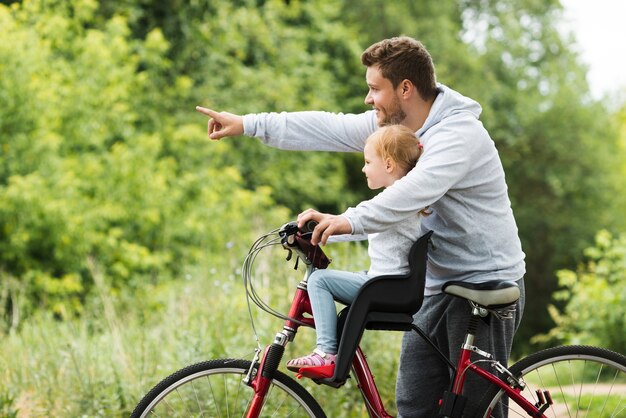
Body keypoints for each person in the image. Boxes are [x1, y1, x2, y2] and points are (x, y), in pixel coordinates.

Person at [196, 36, 526, 417]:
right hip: (434, 286)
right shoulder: (395, 132)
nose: (368, 99)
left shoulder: (458, 135)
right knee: (413, 407)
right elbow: (326, 128)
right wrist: (248, 124)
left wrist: (347, 220)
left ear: (405, 88)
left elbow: (412, 193)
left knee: (473, 412)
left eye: (374, 89)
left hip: (483, 284)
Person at [285, 125, 426, 377]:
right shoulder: (399, 201)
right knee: (328, 280)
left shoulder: (395, 199)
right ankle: (330, 353)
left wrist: (323, 227)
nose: (363, 168)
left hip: (388, 285)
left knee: (319, 280)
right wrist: (317, 231)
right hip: (388, 283)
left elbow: (360, 218)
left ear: (389, 165)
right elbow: (360, 227)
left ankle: (326, 353)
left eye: (368, 161)